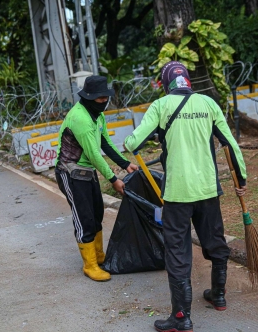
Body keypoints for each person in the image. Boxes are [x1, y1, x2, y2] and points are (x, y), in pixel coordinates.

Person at [123, 62, 247, 332]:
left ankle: (181, 317)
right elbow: (231, 145)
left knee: (178, 252)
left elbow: (132, 144)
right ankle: (219, 295)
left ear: (166, 83)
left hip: (178, 193)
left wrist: (156, 133)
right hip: (207, 189)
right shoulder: (208, 103)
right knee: (214, 239)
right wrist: (242, 179)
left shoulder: (160, 106)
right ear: (188, 81)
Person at [55, 75, 138, 282]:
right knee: (84, 217)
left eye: (105, 98)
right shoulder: (80, 118)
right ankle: (90, 265)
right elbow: (93, 153)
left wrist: (125, 164)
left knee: (97, 213)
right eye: (100, 99)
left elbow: (105, 143)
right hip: (70, 173)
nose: (104, 102)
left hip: (87, 172)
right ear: (89, 97)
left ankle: (99, 255)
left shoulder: (96, 116)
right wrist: (113, 180)